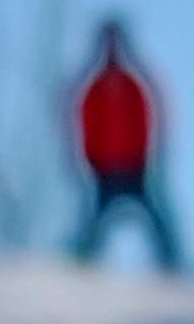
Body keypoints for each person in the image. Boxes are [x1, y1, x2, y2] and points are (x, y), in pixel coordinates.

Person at [68, 19, 176, 272]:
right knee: (92, 222)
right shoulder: (94, 88)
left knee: (158, 221)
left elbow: (147, 121)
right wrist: (91, 160)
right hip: (104, 169)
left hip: (135, 167)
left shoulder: (133, 85)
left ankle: (172, 264)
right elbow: (86, 125)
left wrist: (146, 158)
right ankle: (82, 262)